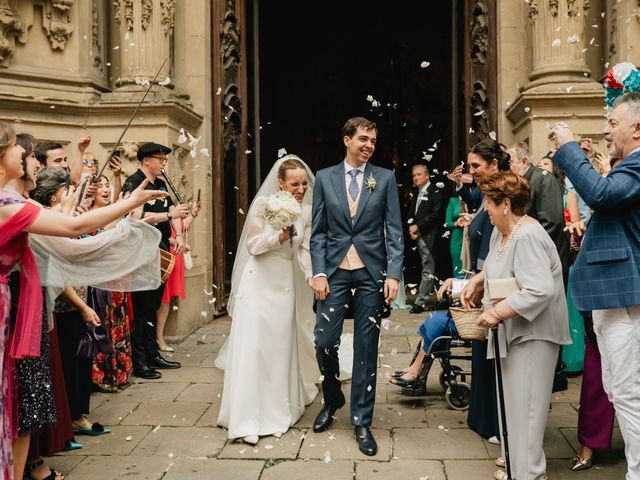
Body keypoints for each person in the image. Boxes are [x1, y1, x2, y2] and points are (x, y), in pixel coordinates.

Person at [0, 121, 168, 480]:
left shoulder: (14, 201)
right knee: (11, 405)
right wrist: (131, 203)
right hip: (6, 313)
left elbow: (66, 237)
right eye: (19, 149)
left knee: (18, 410)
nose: (26, 156)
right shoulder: (6, 205)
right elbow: (74, 230)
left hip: (17, 307)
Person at [549, 92, 640, 479]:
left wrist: (569, 148)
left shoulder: (637, 165)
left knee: (628, 393)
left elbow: (601, 195)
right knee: (620, 391)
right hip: (613, 297)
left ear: (637, 128)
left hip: (625, 300)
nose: (605, 129)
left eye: (613, 123)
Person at [461, 171, 570, 480]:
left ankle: (532, 473)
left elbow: (540, 289)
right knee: (511, 406)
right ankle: (515, 466)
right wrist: (479, 281)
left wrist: (497, 313)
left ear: (506, 204)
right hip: (513, 331)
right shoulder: (501, 231)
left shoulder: (530, 235)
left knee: (529, 408)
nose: (486, 210)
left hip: (534, 334)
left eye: (488, 203)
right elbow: (501, 265)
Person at [310, 117, 404, 456]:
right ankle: (333, 397)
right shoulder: (324, 178)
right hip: (334, 271)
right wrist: (318, 272)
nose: (368, 145)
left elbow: (394, 229)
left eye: (373, 141)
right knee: (323, 341)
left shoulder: (384, 178)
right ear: (346, 139)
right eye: (363, 139)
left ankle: (362, 419)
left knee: (367, 346)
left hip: (370, 273)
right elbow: (318, 230)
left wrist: (393, 274)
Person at [217, 155, 318, 444]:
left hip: (285, 284)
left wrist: (313, 276)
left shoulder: (307, 212)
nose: (300, 189)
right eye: (294, 184)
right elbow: (253, 246)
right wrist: (279, 237)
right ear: (281, 183)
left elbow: (304, 251)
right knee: (255, 347)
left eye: (303, 184)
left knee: (279, 349)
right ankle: (246, 419)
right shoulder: (264, 205)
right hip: (258, 283)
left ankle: (276, 414)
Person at [447, 138, 511, 444]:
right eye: (469, 166)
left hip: (497, 283)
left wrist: (480, 280)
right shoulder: (486, 195)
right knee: (482, 353)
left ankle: (500, 424)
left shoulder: (504, 195)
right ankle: (484, 419)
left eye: (476, 166)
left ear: (494, 165)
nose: (471, 172)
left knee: (495, 355)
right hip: (482, 280)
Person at [122, 142, 187, 379]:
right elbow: (134, 216)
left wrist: (179, 234)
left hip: (159, 250)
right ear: (146, 160)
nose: (162, 163)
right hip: (141, 252)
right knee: (141, 309)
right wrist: (170, 215)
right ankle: (139, 362)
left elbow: (174, 210)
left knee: (152, 306)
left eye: (164, 160)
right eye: (160, 159)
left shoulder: (161, 183)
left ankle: (152, 353)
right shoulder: (134, 182)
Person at [156, 199, 201, 353]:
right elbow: (166, 237)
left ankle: (159, 336)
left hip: (176, 259)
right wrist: (181, 244)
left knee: (167, 301)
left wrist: (193, 215)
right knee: (162, 300)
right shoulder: (164, 217)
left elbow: (183, 227)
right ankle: (159, 338)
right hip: (168, 256)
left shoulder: (176, 220)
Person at [408, 164, 443, 314]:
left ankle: (420, 302)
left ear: (427, 176)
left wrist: (418, 227)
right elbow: (411, 214)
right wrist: (411, 227)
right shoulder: (416, 193)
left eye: (419, 175)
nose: (416, 178)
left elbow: (435, 214)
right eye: (414, 175)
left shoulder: (435, 192)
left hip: (431, 237)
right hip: (419, 235)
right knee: (426, 267)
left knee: (428, 267)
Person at [444, 195, 465, 276]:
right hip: (457, 239)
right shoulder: (453, 201)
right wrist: (456, 223)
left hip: (470, 238)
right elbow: (447, 223)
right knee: (458, 270)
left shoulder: (473, 199)